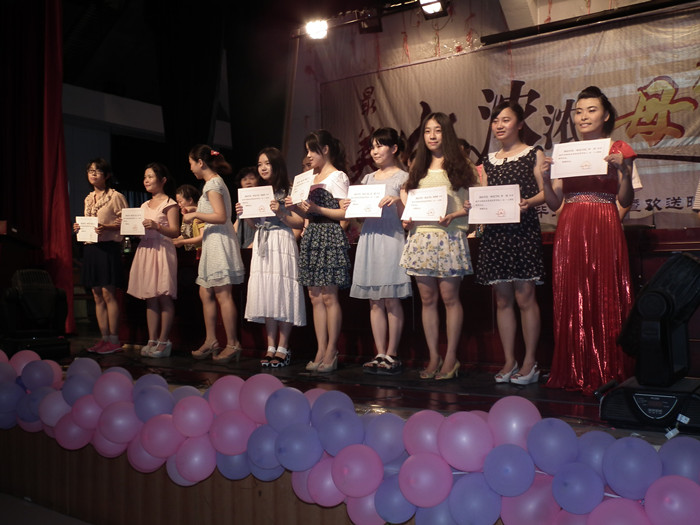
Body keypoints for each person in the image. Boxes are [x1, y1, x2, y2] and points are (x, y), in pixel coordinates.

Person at [541, 85, 635, 394]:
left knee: (606, 293)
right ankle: (574, 369)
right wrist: (544, 180)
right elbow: (555, 203)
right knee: (573, 295)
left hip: (605, 222)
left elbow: (626, 199)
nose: (583, 117)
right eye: (579, 111)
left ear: (606, 115)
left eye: (591, 110)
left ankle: (609, 367)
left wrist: (623, 172)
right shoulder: (566, 152)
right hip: (570, 225)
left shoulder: (619, 148)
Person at [469, 100, 546, 385]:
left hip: (523, 231)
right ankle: (509, 360)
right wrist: (473, 204)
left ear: (520, 124)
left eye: (506, 120)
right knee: (502, 300)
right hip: (495, 235)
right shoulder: (488, 160)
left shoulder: (533, 153)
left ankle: (530, 362)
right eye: (495, 121)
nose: (499, 125)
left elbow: (545, 192)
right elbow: (484, 194)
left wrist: (529, 202)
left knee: (525, 298)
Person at [400, 112, 477, 380]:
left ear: (447, 133)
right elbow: (409, 200)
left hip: (449, 237)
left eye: (438, 130)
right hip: (421, 238)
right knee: (428, 300)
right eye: (427, 131)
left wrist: (456, 214)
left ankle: (452, 357)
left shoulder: (463, 165)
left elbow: (478, 203)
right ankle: (434, 356)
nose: (432, 136)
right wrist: (407, 218)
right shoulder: (418, 166)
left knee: (450, 299)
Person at [344, 128, 411, 375]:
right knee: (374, 300)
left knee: (391, 298)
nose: (375, 151)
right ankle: (380, 353)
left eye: (380, 145)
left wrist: (398, 201)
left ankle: (392, 354)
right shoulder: (368, 179)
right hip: (370, 237)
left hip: (392, 238)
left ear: (394, 148)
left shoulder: (404, 177)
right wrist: (351, 206)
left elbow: (408, 217)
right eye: (372, 146)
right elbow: (361, 215)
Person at [287, 130, 351, 373]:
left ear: (325, 149)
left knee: (329, 296)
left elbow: (345, 213)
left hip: (329, 234)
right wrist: (294, 207)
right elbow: (305, 213)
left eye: (312, 150)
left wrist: (318, 209)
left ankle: (331, 350)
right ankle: (320, 349)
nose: (308, 155)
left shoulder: (338, 176)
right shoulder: (308, 178)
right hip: (312, 234)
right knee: (315, 296)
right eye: (306, 151)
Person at [236, 147, 306, 368]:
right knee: (267, 292)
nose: (263, 168)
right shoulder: (258, 191)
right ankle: (270, 347)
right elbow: (255, 225)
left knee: (282, 292)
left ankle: (283, 348)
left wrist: (280, 212)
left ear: (277, 164)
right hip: (262, 241)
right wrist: (244, 213)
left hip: (282, 241)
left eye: (266, 163)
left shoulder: (289, 190)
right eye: (260, 164)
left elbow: (299, 222)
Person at [183, 145, 245, 363]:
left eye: (191, 163)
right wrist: (196, 210)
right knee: (205, 291)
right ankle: (211, 340)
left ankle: (233, 343)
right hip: (213, 241)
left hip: (219, 241)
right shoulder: (212, 183)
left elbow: (221, 216)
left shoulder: (213, 184)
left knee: (222, 294)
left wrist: (195, 215)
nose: (190, 168)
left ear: (200, 163)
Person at [73, 158, 128, 354]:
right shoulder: (88, 198)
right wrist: (79, 227)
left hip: (108, 248)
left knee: (108, 293)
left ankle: (114, 339)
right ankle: (104, 338)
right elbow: (89, 222)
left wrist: (107, 227)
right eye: (90, 171)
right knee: (96, 294)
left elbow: (128, 223)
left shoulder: (115, 196)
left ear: (107, 175)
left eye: (97, 171)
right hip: (91, 248)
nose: (93, 174)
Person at [126, 163, 180, 358]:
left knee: (163, 295)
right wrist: (126, 225)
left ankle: (164, 341)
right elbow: (138, 231)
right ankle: (152, 339)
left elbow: (175, 231)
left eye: (150, 176)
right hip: (146, 250)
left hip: (162, 250)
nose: (146, 180)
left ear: (162, 180)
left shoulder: (170, 204)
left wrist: (157, 226)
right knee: (150, 296)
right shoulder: (143, 206)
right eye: (145, 177)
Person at [233, 166, 261, 249]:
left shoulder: (262, 200)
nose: (248, 182)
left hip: (256, 243)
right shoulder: (241, 202)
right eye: (244, 179)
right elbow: (237, 225)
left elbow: (261, 226)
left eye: (252, 179)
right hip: (242, 244)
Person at [173, 184, 204, 257]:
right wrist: (174, 240)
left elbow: (202, 237)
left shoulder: (200, 215)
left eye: (180, 201)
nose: (179, 205)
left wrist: (182, 242)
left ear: (190, 200)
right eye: (178, 202)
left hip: (201, 252)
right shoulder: (186, 215)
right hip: (191, 253)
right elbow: (187, 235)